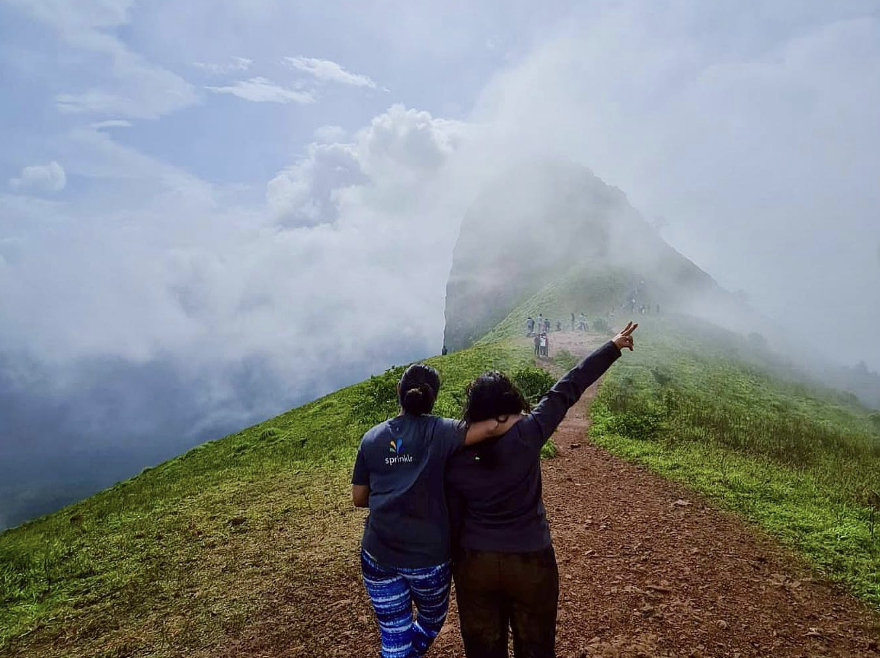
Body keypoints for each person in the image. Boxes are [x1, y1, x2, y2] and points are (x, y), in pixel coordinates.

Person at [446, 322, 638, 658]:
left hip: (475, 562)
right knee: (535, 646)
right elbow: (569, 386)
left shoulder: (451, 450)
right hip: (531, 559)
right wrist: (613, 346)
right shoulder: (530, 433)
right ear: (510, 401)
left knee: (482, 649)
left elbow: (450, 510)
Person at [352, 365, 520, 658]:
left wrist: (392, 490)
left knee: (394, 634)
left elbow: (359, 497)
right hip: (428, 559)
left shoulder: (371, 437)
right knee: (430, 622)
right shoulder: (443, 431)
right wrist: (533, 418)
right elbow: (493, 427)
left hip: (378, 554)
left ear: (398, 392)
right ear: (433, 397)